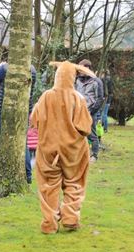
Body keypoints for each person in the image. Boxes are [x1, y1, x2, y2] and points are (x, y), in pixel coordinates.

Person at [30, 61, 93, 234]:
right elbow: (85, 127)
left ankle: (49, 223)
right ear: (73, 77)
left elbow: (33, 120)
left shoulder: (45, 96)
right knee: (75, 181)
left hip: (48, 148)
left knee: (48, 185)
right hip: (74, 150)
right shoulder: (77, 98)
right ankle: (70, 217)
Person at [0, 61, 37, 183]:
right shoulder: (32, 69)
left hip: (5, 110)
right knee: (22, 142)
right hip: (24, 110)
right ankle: (28, 176)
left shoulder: (6, 68)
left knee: (5, 141)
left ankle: (6, 173)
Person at [75, 59, 104, 163]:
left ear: (87, 68)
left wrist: (91, 111)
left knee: (91, 134)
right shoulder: (77, 80)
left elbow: (100, 99)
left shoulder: (96, 81)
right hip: (78, 112)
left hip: (90, 112)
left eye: (81, 68)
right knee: (78, 134)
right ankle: (82, 154)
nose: (79, 70)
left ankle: (94, 155)